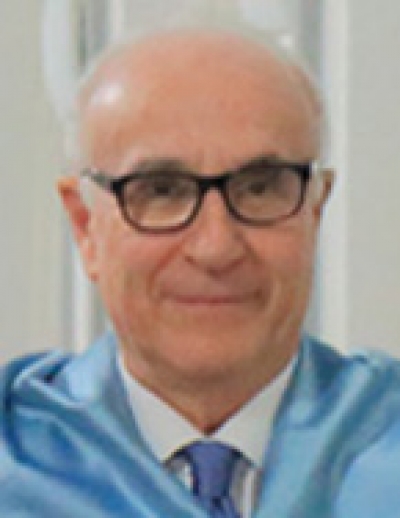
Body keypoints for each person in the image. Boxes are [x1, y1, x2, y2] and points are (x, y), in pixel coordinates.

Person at [2, 28, 400, 518]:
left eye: (260, 188)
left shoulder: (386, 439)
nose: (215, 248)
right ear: (85, 226)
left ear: (314, 211)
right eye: (161, 191)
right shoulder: (13, 460)